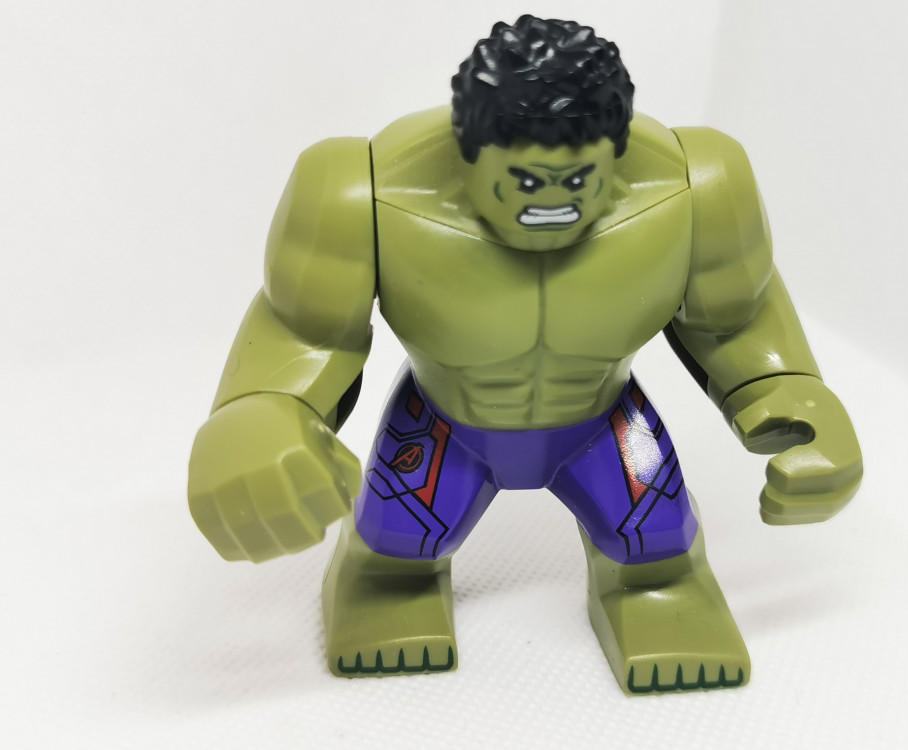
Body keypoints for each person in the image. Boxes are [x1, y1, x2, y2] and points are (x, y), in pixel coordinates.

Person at [189, 15, 862, 694]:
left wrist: (793, 393)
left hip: (603, 421)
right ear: (468, 151)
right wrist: (258, 414)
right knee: (397, 550)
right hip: (446, 423)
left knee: (656, 550)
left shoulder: (695, 189)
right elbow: (305, 332)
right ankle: (388, 586)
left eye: (577, 180)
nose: (552, 204)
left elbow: (737, 319)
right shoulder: (360, 191)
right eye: (527, 183)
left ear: (615, 150)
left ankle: (656, 592)